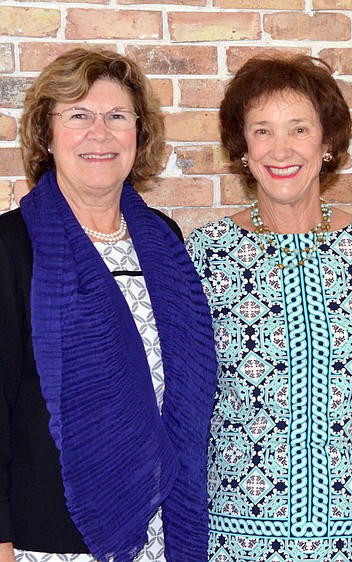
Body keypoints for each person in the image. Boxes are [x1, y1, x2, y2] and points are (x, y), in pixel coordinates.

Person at [0, 49, 217, 562]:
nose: (100, 133)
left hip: (163, 533)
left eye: (116, 116)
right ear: (47, 134)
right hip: (50, 540)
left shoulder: (162, 239)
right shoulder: (10, 248)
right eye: (78, 115)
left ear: (137, 133)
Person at [187, 54, 352, 561]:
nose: (280, 149)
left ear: (327, 144)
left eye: (299, 129)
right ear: (242, 149)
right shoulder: (206, 254)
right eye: (261, 131)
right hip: (236, 532)